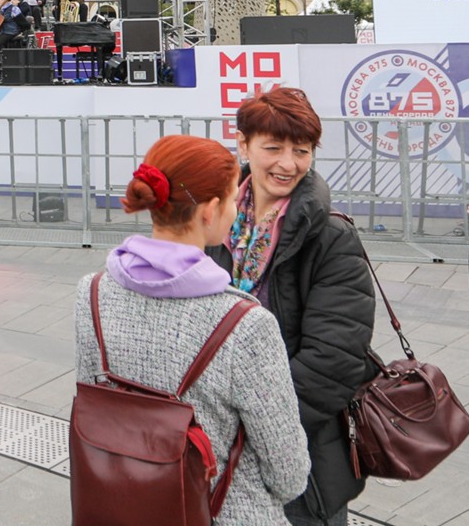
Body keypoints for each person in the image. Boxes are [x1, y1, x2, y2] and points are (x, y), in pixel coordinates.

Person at [75, 135, 310, 523]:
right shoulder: (247, 324)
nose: (234, 210)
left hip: (120, 503)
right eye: (232, 200)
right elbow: (288, 474)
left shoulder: (93, 292)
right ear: (210, 210)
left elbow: (93, 401)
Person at [209, 89, 375, 526]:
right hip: (215, 446)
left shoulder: (331, 237)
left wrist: (258, 431)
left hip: (298, 452)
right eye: (273, 148)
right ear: (243, 145)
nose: (288, 164)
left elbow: (333, 360)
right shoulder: (214, 218)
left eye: (301, 151)